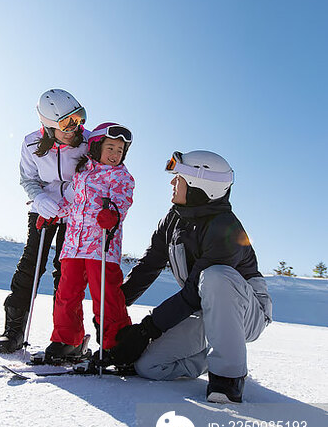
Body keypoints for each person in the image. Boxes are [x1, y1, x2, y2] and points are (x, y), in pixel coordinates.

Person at [110, 150, 272, 403]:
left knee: (217, 276)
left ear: (201, 185)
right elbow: (149, 265)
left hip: (246, 314)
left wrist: (146, 330)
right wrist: (113, 308)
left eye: (179, 178)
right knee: (148, 367)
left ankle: (228, 377)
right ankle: (208, 359)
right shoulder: (173, 220)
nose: (172, 183)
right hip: (204, 310)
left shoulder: (226, 228)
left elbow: (194, 291)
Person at [0, 89, 90, 354]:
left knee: (67, 272)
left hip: (76, 211)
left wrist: (76, 195)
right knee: (30, 265)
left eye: (79, 117)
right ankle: (13, 331)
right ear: (47, 126)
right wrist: (39, 201)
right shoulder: (31, 143)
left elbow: (101, 173)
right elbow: (28, 180)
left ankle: (67, 336)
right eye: (66, 123)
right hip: (45, 210)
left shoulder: (90, 142)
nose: (75, 127)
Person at [44, 123, 135, 363]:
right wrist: (54, 214)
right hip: (73, 245)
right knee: (66, 293)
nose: (116, 155)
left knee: (105, 295)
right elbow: (73, 204)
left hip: (101, 247)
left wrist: (113, 214)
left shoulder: (121, 176)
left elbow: (122, 202)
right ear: (96, 147)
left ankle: (115, 345)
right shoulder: (81, 174)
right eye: (111, 148)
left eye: (120, 150)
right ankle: (67, 341)